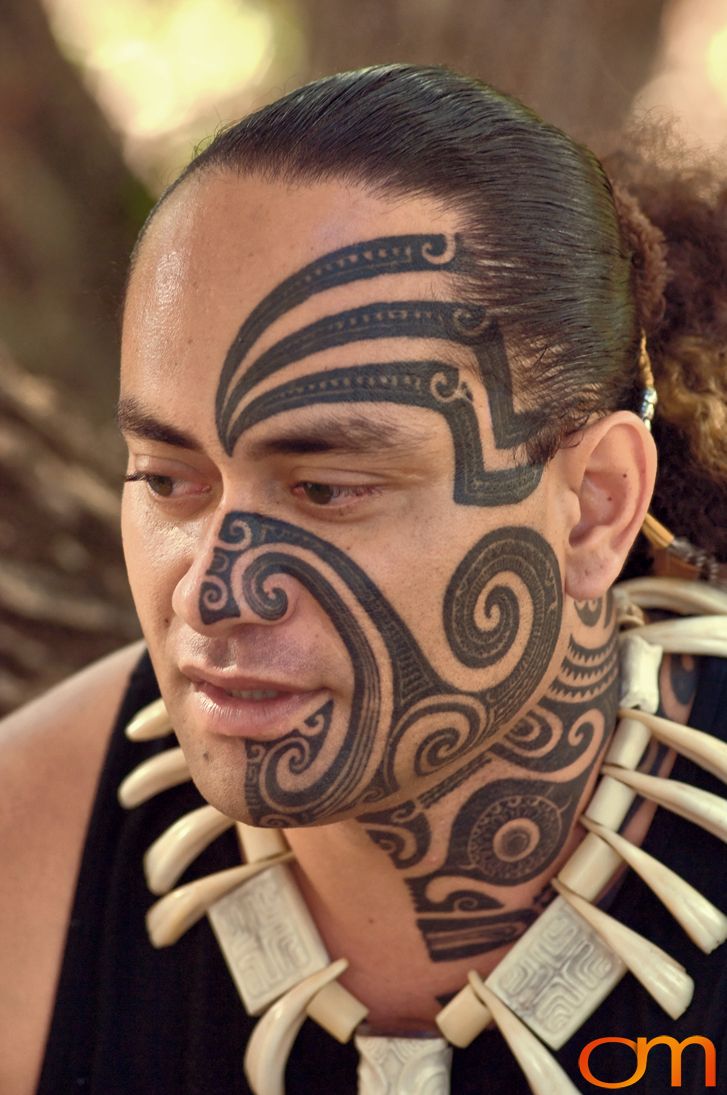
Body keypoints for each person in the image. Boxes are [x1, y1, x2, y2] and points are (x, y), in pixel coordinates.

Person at [1, 64, 725, 1095]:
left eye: (328, 490)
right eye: (168, 480)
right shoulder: (30, 853)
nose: (214, 590)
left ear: (594, 505)